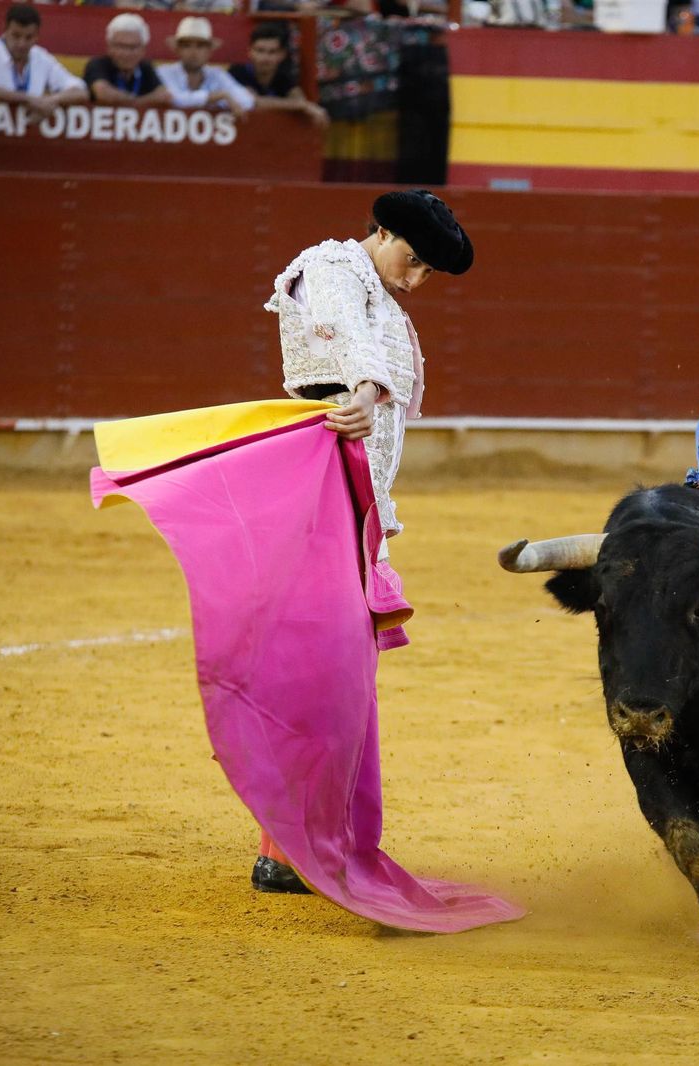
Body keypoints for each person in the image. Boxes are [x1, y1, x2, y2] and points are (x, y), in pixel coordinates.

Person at [253, 190, 473, 894]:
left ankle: (301, 844)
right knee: (319, 676)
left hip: (353, 515)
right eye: (412, 260)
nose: (415, 280)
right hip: (316, 502)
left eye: (428, 274)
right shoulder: (330, 268)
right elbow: (344, 334)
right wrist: (366, 385)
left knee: (338, 678)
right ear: (381, 232)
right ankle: (289, 848)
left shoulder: (385, 299)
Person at [0, 4, 88, 121]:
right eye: (16, 36)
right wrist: (27, 99)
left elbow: (80, 91)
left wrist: (49, 101)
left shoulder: (41, 57)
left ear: (37, 36)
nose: (22, 44)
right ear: (5, 30)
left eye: (28, 37)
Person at [228, 23, 328, 128]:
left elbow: (298, 98)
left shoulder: (283, 77)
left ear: (282, 54)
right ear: (250, 51)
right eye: (260, 51)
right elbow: (252, 102)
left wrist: (302, 105)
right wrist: (303, 106)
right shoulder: (238, 72)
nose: (265, 58)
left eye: (272, 52)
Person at [156, 17, 255, 113]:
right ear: (177, 50)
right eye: (186, 46)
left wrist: (219, 99)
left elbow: (247, 101)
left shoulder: (217, 74)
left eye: (200, 46)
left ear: (209, 51)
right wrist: (219, 97)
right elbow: (176, 99)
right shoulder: (164, 72)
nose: (193, 52)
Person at [83, 13, 173, 107]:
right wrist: (141, 102)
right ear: (109, 47)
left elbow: (164, 96)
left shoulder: (145, 67)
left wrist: (130, 102)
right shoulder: (98, 64)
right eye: (120, 46)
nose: (126, 53)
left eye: (132, 47)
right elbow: (103, 94)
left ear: (143, 50)